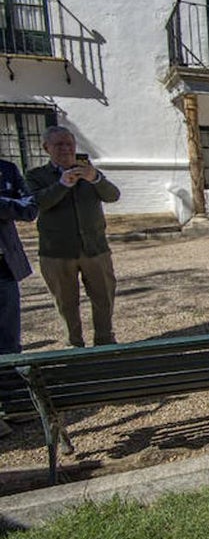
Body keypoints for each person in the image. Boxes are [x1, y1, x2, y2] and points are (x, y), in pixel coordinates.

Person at [25, 126, 120, 348]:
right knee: (66, 301)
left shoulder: (87, 171)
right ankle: (74, 342)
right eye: (59, 145)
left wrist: (95, 178)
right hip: (57, 251)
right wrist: (62, 185)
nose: (66, 149)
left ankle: (105, 340)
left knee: (103, 296)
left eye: (69, 144)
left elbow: (113, 195)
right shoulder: (36, 176)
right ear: (46, 148)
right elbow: (36, 204)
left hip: (95, 248)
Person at [0, 157, 37, 437]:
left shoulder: (7, 170)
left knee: (9, 340)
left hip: (4, 267)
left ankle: (13, 403)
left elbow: (29, 208)